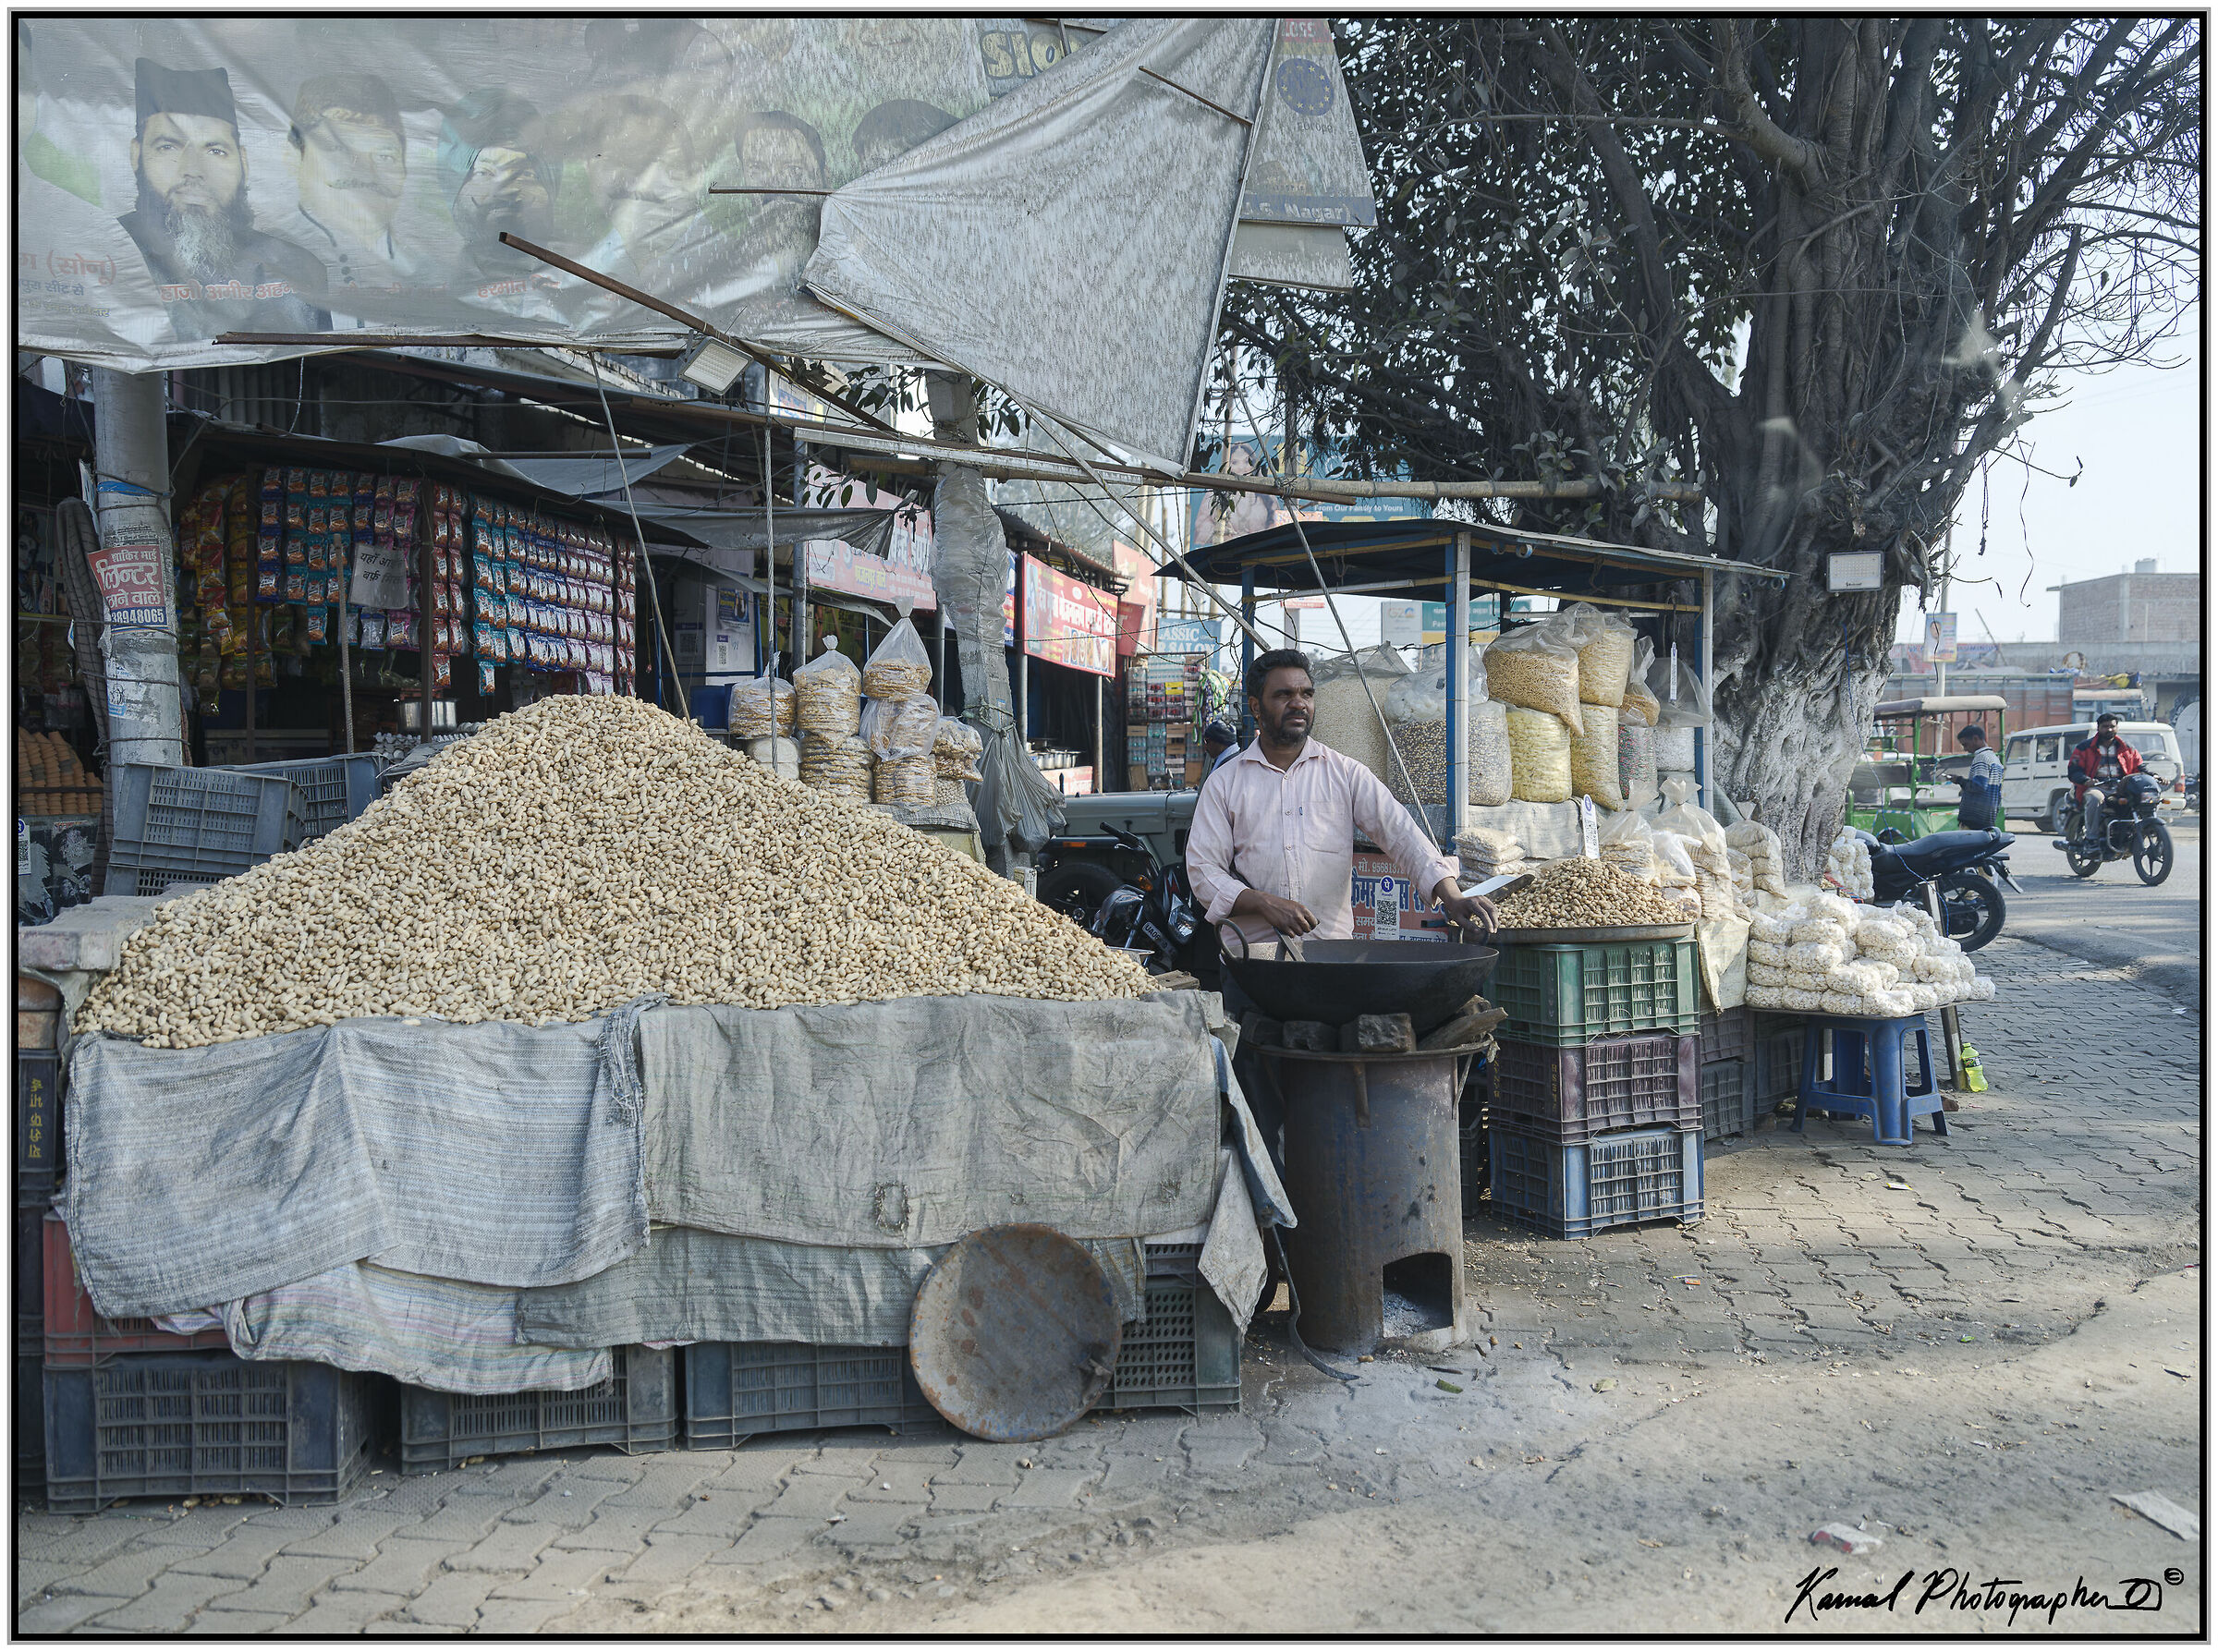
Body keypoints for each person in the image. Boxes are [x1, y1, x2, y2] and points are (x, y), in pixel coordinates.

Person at [117, 58, 332, 341]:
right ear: (137, 155)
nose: (193, 170)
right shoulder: (105, 258)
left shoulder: (296, 268)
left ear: (242, 161)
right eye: (168, 147)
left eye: (215, 151)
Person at [284, 75, 421, 322]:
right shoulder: (271, 265)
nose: (363, 173)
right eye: (341, 150)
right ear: (295, 158)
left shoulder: (436, 273)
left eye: (384, 156)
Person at [437, 90, 559, 284]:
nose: (505, 191)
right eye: (484, 173)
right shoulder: (434, 279)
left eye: (525, 174)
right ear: (455, 188)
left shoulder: (579, 280)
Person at [2066, 712, 2143, 848]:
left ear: (2117, 727)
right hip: (2096, 787)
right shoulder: (2084, 747)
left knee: (2145, 798)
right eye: (2105, 726)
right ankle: (2092, 839)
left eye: (2112, 726)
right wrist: (2086, 780)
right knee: (2095, 798)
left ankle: (2138, 832)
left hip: (2121, 789)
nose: (2109, 729)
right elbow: (2074, 770)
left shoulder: (2127, 747)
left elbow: (2140, 766)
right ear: (2098, 728)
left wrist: (2154, 776)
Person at [1949, 723, 2004, 832]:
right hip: (1988, 818)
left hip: (1974, 819)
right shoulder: (1994, 758)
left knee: (1967, 847)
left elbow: (1979, 786)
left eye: (1966, 744)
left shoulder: (1981, 758)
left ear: (1975, 739)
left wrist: (1959, 780)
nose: (1965, 749)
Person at [1200, 719, 1240, 783]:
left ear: (1219, 741)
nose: (1206, 747)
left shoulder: (1228, 765)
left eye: (1208, 742)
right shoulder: (1231, 759)